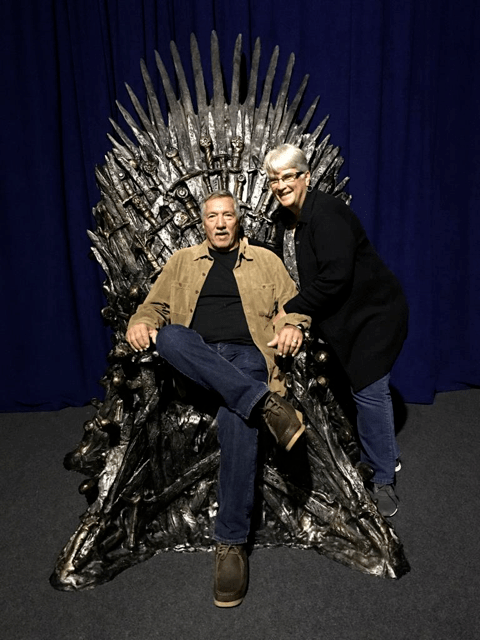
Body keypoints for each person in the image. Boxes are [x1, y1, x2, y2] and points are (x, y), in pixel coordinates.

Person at [126, 189, 310, 608]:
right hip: (198, 361)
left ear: (237, 220)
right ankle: (267, 405)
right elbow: (153, 308)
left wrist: (292, 326)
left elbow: (292, 306)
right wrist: (140, 322)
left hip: (247, 357)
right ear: (202, 222)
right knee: (171, 337)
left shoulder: (265, 261)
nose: (221, 223)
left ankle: (230, 544)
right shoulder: (181, 262)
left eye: (228, 215)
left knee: (237, 417)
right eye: (213, 216)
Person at [264, 144, 409, 518]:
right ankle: (385, 454)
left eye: (289, 176)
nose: (281, 185)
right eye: (274, 179)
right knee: (357, 387)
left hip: (374, 316)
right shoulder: (291, 219)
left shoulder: (326, 213)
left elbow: (335, 278)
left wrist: (290, 309)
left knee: (369, 389)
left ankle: (383, 478)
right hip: (348, 319)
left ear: (306, 176)